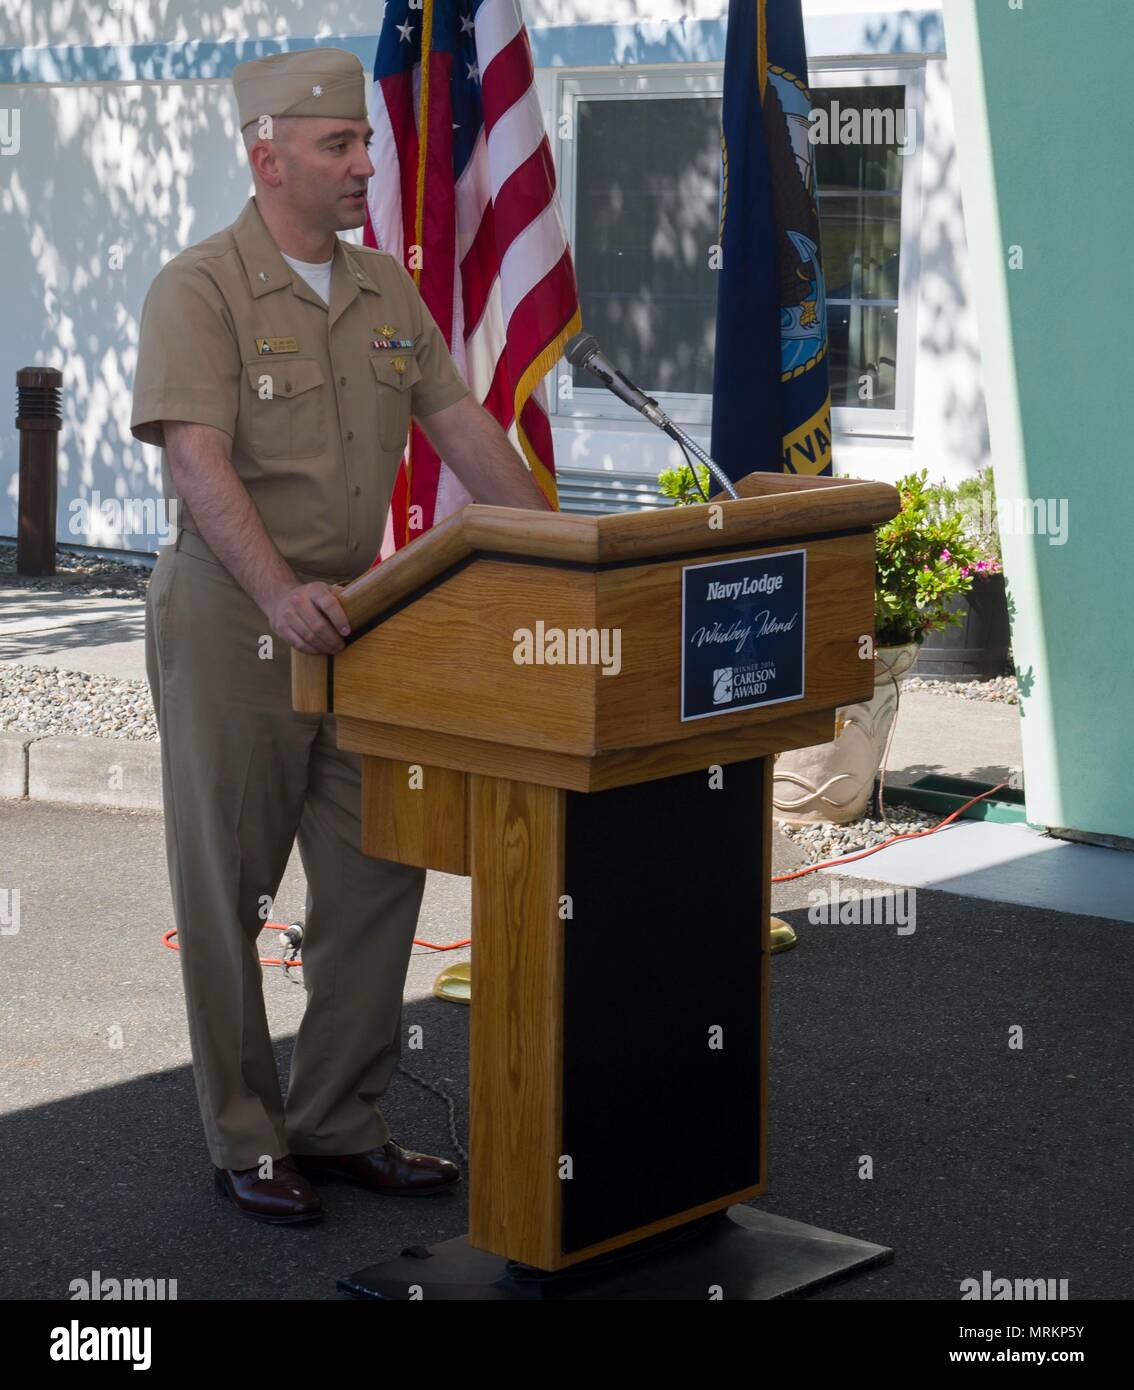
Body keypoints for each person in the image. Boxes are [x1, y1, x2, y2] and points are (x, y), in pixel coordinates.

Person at [130, 47, 547, 1224]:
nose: (368, 163)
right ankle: (248, 1136)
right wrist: (273, 595)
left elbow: (462, 426)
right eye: (339, 146)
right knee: (229, 879)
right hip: (230, 612)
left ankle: (340, 1118)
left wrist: (569, 560)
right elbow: (197, 458)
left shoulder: (382, 288)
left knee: (376, 870)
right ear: (266, 157)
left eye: (363, 142)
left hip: (359, 617)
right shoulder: (200, 287)